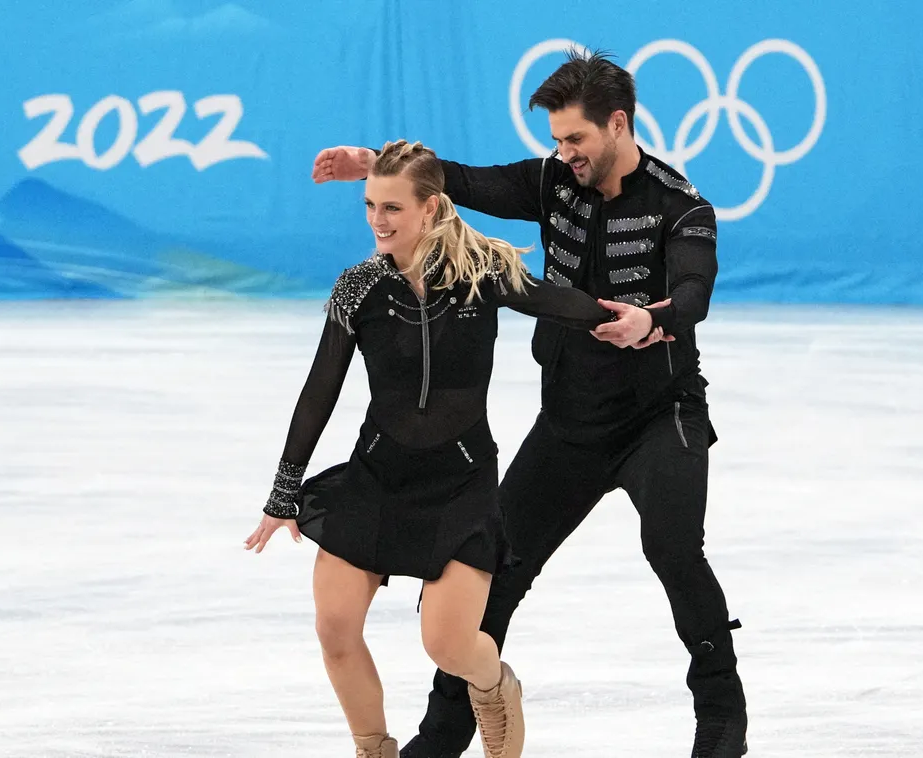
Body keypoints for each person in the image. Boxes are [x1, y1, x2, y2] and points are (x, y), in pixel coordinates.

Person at [311, 50, 749, 758]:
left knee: (671, 548)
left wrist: (652, 319)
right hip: (569, 422)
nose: (563, 153)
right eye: (555, 141)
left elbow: (694, 294)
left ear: (617, 123)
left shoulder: (680, 205)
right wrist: (375, 165)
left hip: (657, 416)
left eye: (574, 139)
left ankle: (721, 720)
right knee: (496, 568)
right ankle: (444, 730)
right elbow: (464, 181)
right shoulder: (553, 180)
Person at [244, 139, 616, 758]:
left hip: (460, 484)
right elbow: (318, 392)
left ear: (430, 208)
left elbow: (552, 300)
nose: (377, 221)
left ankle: (495, 686)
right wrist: (284, 491)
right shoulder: (357, 287)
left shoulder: (481, 273)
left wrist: (626, 318)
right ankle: (374, 748)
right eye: (369, 205)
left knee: (446, 644)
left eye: (392, 207)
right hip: (377, 478)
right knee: (335, 627)